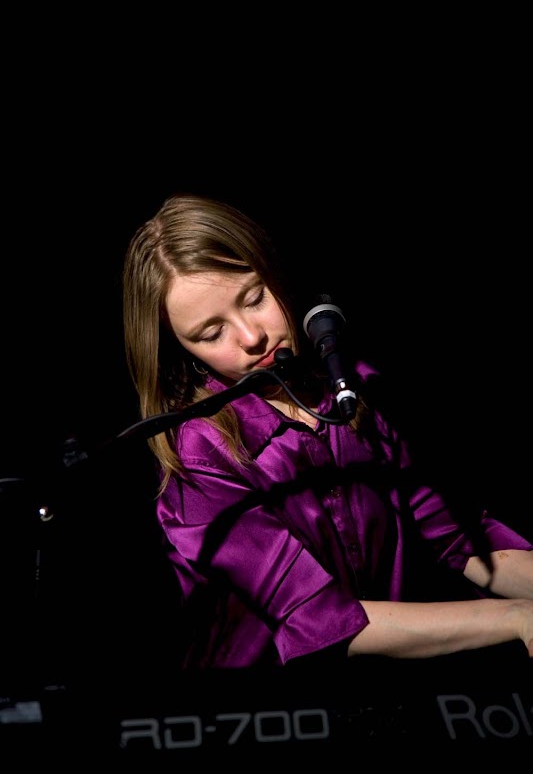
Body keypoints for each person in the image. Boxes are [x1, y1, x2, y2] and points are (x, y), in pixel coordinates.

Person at [122, 192, 533, 670]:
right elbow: (319, 619)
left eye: (255, 298)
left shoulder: (351, 388)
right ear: (181, 350)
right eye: (212, 334)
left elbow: (457, 538)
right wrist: (515, 617)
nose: (252, 337)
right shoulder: (198, 454)